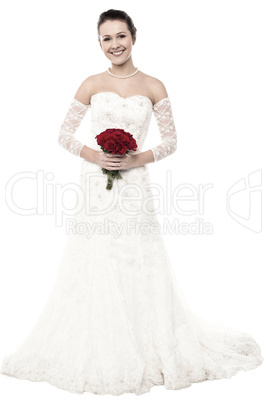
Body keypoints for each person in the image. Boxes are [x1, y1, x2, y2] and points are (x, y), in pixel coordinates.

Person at [1, 8, 263, 397]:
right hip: (96, 185)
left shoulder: (154, 86)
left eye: (120, 36)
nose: (114, 45)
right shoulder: (90, 83)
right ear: (99, 43)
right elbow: (63, 135)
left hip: (135, 184)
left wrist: (138, 158)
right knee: (97, 257)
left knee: (140, 258)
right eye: (106, 38)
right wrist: (94, 156)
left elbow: (172, 142)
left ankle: (150, 344)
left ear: (134, 37)